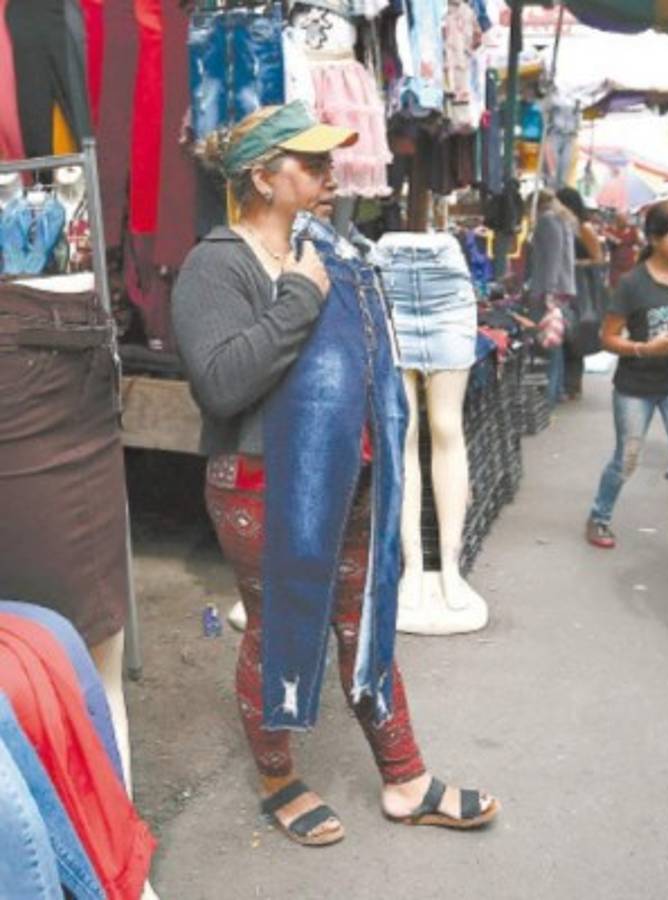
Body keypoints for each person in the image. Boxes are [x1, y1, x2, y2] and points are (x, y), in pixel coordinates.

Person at [172, 104, 498, 848]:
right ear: (262, 176)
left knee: (366, 623)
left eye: (329, 165)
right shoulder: (216, 264)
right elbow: (222, 385)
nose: (330, 179)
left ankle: (406, 778)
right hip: (261, 482)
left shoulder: (334, 251)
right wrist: (301, 296)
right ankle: (279, 779)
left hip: (350, 478)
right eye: (313, 166)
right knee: (280, 628)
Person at [583, 201, 668, 586]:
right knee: (626, 459)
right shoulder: (633, 284)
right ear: (656, 239)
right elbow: (607, 339)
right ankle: (599, 516)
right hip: (636, 387)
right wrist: (647, 348)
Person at [527, 189, 577, 405]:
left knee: (549, 342)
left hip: (550, 289)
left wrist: (548, 291)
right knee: (556, 340)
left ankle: (549, 395)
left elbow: (553, 258)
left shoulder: (548, 221)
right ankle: (555, 391)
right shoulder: (562, 220)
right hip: (561, 288)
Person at [557, 186, 606, 400]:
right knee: (568, 333)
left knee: (575, 332)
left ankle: (571, 385)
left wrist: (572, 263)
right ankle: (568, 384)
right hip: (569, 285)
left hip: (581, 286)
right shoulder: (563, 225)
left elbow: (598, 259)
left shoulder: (583, 227)